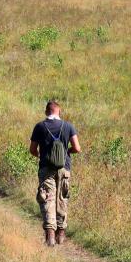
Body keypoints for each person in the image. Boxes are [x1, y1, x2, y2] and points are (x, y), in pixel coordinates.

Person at [29, 101, 81, 247]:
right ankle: (61, 234)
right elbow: (77, 148)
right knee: (62, 198)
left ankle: (50, 234)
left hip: (46, 169)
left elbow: (32, 149)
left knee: (47, 199)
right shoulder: (68, 126)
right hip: (64, 168)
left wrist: (41, 155)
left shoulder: (39, 126)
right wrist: (67, 152)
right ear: (59, 111)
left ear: (47, 111)